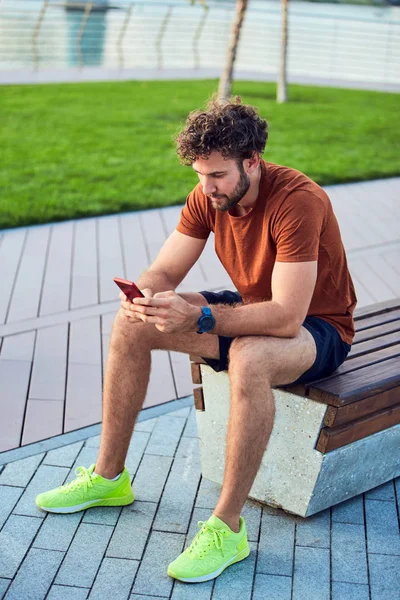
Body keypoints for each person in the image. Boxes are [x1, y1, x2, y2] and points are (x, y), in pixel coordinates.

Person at [36, 97, 357, 583]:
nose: (206, 188)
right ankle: (108, 478)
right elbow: (166, 269)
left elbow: (287, 317)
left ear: (252, 161)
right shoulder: (208, 195)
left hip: (319, 327)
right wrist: (145, 295)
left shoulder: (298, 201)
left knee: (250, 356)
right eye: (199, 174)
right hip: (255, 305)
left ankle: (227, 527)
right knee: (131, 324)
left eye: (217, 175)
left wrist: (201, 317)